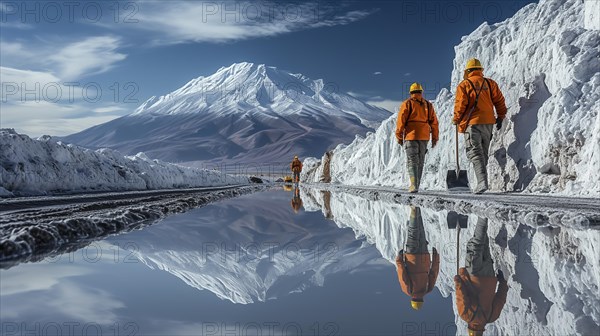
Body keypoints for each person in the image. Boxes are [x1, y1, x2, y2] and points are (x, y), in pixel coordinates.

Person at [453, 58, 508, 194]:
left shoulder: (464, 85)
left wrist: (456, 118)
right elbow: (499, 101)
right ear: (480, 70)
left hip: (472, 123)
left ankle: (482, 182)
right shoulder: (490, 83)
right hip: (488, 123)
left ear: (468, 71)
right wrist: (500, 116)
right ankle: (482, 181)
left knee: (475, 152)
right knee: (483, 153)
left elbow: (461, 105)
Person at [455, 217, 509, 335]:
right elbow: (461, 296)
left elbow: (501, 297)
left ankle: (485, 219)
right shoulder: (465, 316)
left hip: (489, 277)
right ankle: (483, 215)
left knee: (484, 246)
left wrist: (503, 282)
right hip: (473, 275)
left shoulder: (491, 317)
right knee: (476, 245)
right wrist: (458, 282)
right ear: (470, 328)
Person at [395, 83, 439, 193]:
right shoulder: (428, 105)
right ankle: (416, 185)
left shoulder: (407, 104)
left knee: (412, 160)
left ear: (411, 93)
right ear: (421, 92)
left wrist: (399, 136)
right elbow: (434, 123)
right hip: (424, 136)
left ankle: (413, 185)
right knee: (420, 161)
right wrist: (434, 137)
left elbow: (401, 121)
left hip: (411, 135)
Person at [395, 206, 440, 310]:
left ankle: (417, 208)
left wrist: (436, 257)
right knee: (412, 233)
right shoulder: (408, 291)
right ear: (412, 300)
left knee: (421, 231)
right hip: (412, 257)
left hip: (424, 257)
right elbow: (402, 273)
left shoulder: (428, 289)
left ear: (422, 300)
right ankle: (414, 209)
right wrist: (399, 259)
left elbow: (434, 272)